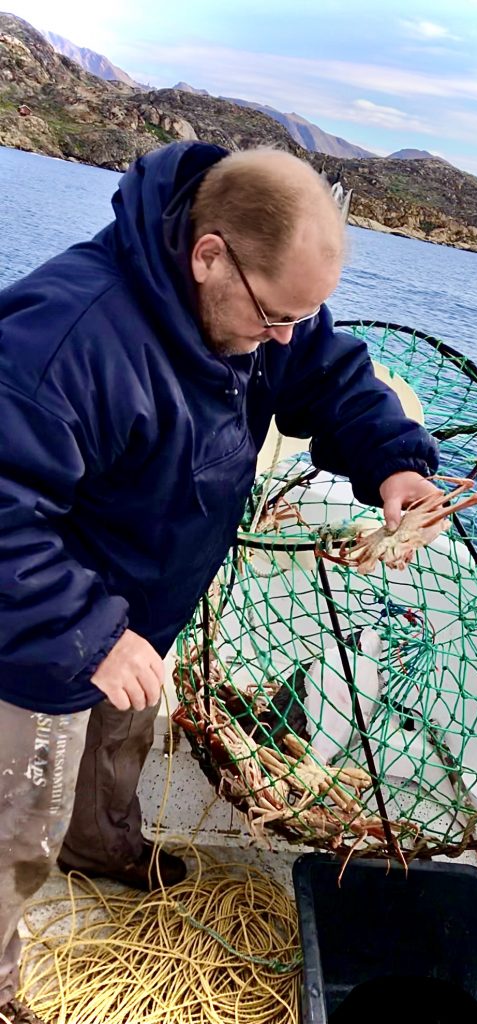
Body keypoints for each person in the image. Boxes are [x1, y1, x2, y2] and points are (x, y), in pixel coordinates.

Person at [0, 141, 439, 1022]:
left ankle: (103, 846)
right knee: (16, 817)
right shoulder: (64, 336)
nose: (284, 337)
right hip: (38, 630)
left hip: (144, 603)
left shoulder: (264, 303)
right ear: (209, 256)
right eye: (276, 315)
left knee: (119, 743)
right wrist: (88, 632)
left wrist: (393, 462)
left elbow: (328, 372)